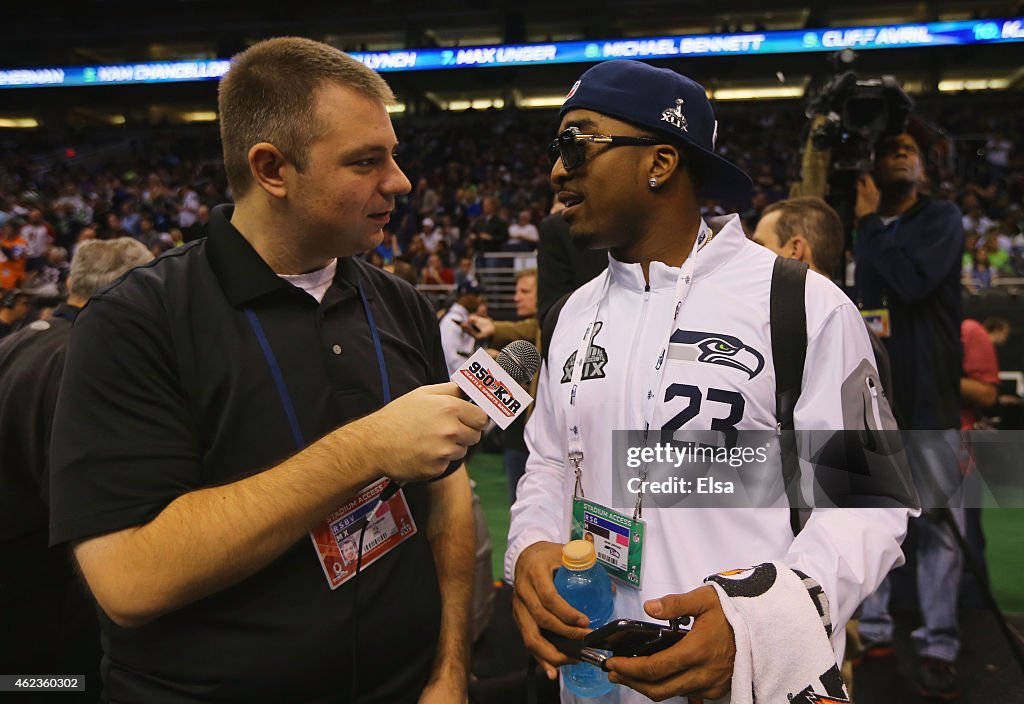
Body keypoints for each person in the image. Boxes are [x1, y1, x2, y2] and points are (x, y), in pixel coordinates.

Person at [48, 37, 487, 704]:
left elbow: (448, 499)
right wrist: (363, 449)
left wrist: (449, 669)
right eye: (366, 161)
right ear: (272, 170)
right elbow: (128, 580)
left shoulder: (397, 301)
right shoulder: (136, 321)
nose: (399, 180)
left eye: (392, 155)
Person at [508, 59, 913, 704]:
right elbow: (553, 461)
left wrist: (759, 621)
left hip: (756, 682)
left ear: (660, 162)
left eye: (577, 142)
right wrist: (530, 546)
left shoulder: (802, 306)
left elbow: (870, 500)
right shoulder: (570, 315)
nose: (558, 168)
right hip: (598, 679)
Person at [0, 238, 153, 701]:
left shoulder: (20, 337)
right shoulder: (87, 358)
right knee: (56, 688)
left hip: (17, 572)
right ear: (137, 291)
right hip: (45, 585)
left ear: (71, 281)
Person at [853, 131, 965, 700]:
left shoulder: (942, 218)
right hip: (868, 408)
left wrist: (871, 224)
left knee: (941, 532)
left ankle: (938, 643)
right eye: (889, 146)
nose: (901, 152)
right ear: (869, 164)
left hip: (931, 406)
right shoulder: (856, 223)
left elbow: (914, 282)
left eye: (910, 148)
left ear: (922, 167)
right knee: (862, 521)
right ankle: (872, 631)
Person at [754, 196, 892, 399]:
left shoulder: (836, 328)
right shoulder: (841, 325)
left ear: (795, 249)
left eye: (759, 247)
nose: (752, 257)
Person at [463, 268, 541, 502]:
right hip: (516, 434)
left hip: (534, 437)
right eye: (516, 290)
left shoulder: (551, 327)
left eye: (525, 291)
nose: (517, 297)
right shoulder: (526, 330)